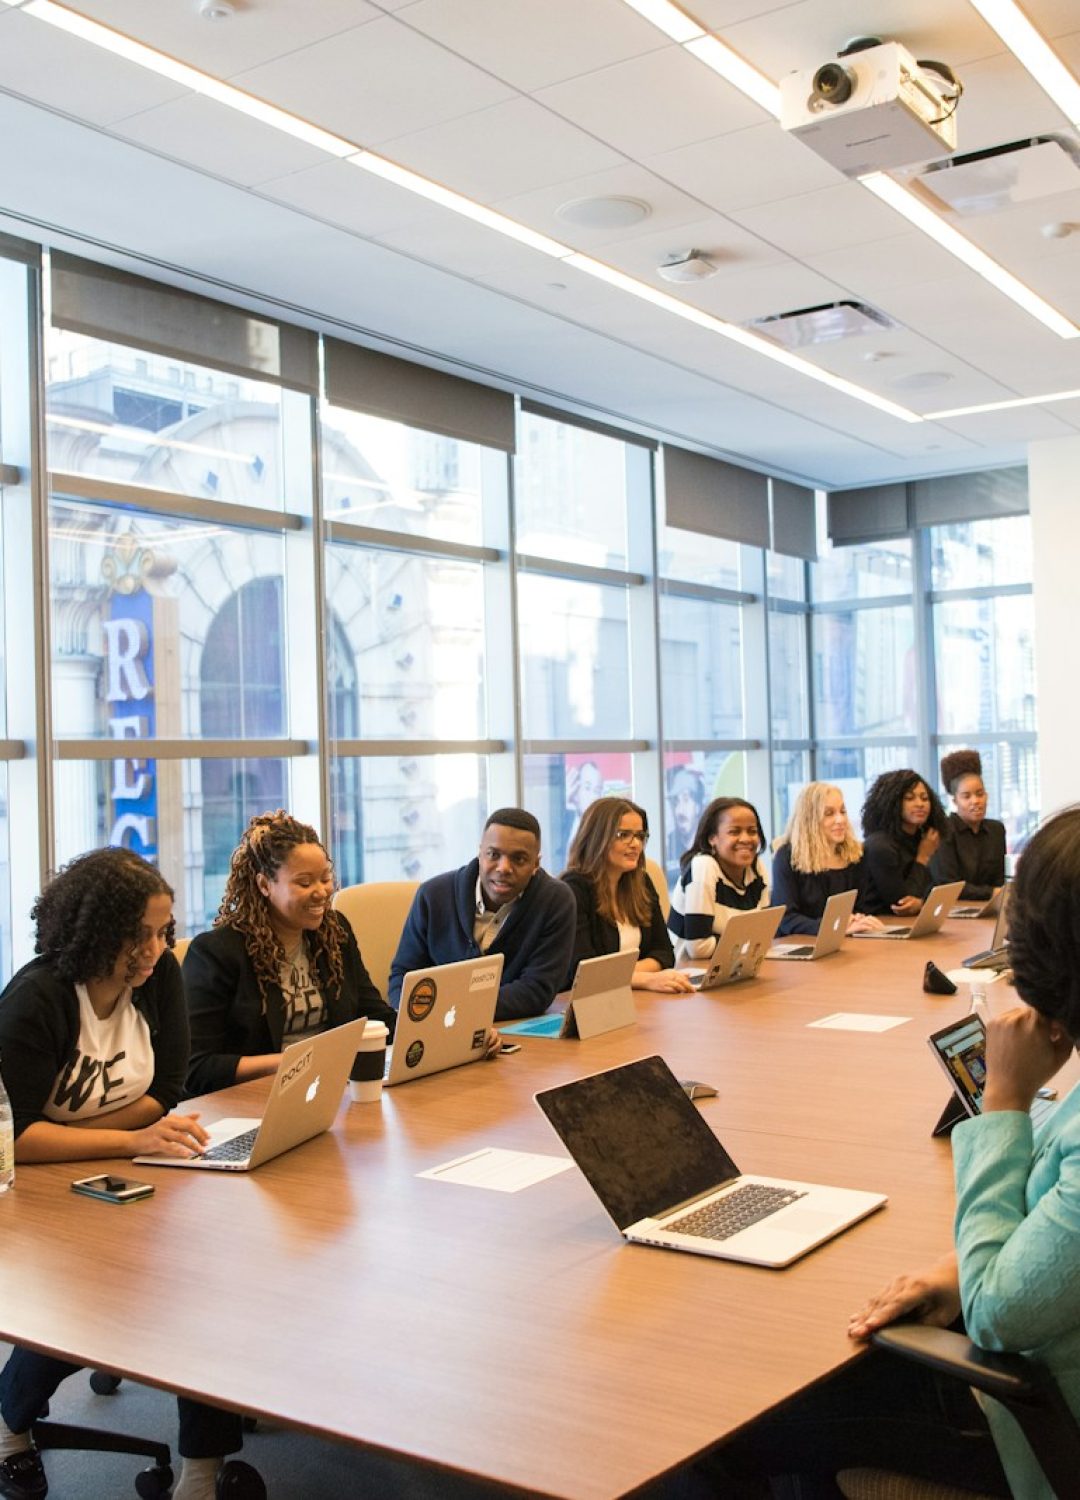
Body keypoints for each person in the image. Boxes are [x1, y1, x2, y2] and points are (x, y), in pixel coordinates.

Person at [0, 847, 257, 1500]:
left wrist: (119, 1141)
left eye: (163, 930)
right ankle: (9, 1427)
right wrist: (126, 1139)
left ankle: (202, 1472)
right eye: (138, 933)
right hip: (31, 1197)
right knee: (91, 1299)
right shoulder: (37, 1001)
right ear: (95, 931)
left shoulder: (158, 979)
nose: (155, 948)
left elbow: (166, 1089)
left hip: (124, 1165)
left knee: (211, 1285)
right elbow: (16, 1137)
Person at [185, 810, 396, 1097]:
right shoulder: (217, 953)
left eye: (325, 878)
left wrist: (425, 1037)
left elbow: (374, 1016)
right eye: (305, 883)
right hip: (256, 1101)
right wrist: (297, 1063)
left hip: (329, 1091)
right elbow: (197, 1068)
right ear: (264, 885)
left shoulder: (334, 932)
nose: (322, 892)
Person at [388, 808, 576, 1022]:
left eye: (519, 859)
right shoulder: (433, 896)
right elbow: (402, 978)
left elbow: (537, 989)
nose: (503, 868)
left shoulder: (556, 900)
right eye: (493, 855)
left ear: (536, 864)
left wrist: (457, 1008)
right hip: (436, 1026)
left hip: (512, 1029)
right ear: (480, 853)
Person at [560, 798, 694, 994]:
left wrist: (624, 976)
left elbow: (664, 953)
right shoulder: (573, 890)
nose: (636, 844)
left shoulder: (641, 883)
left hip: (633, 996)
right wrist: (644, 979)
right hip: (584, 1005)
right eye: (623, 835)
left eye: (640, 836)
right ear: (597, 837)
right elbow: (583, 972)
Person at [770, 783, 883, 937]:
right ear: (809, 819)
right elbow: (787, 918)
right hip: (801, 945)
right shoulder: (787, 857)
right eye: (829, 813)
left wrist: (858, 920)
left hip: (843, 942)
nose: (840, 819)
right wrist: (834, 927)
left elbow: (860, 907)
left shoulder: (856, 855)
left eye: (843, 811)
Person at [667, 797, 770, 963]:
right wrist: (747, 944)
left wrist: (746, 944)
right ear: (712, 838)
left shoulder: (756, 867)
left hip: (735, 967)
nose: (746, 839)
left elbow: (764, 935)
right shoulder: (703, 866)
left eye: (752, 831)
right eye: (734, 831)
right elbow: (698, 948)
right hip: (689, 973)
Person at [858, 769, 948, 918]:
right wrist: (922, 858)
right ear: (892, 803)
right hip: (879, 925)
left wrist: (922, 903)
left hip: (907, 924)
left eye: (925, 798)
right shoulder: (880, 845)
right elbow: (901, 904)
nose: (920, 804)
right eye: (909, 798)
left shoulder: (924, 838)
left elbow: (933, 890)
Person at [930, 749, 1007, 902]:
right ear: (954, 801)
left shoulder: (996, 830)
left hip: (990, 906)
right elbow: (949, 886)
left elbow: (999, 880)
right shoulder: (943, 830)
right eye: (966, 796)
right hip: (953, 909)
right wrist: (992, 893)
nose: (975, 801)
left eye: (980, 794)